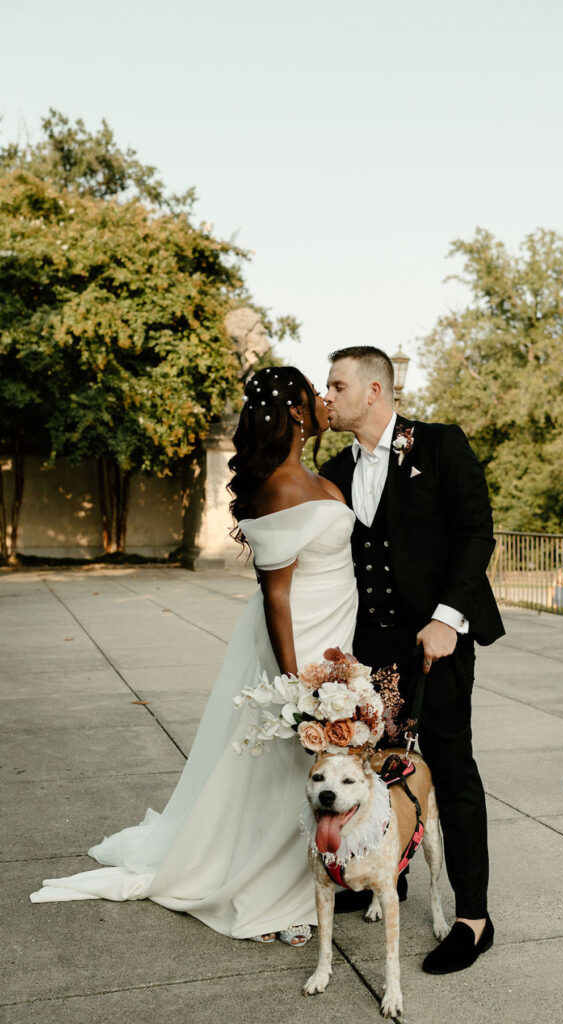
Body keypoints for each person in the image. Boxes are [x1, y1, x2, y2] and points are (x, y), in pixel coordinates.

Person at [30, 367, 358, 946]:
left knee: (306, 769)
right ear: (300, 412)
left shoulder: (313, 476)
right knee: (282, 766)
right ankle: (265, 888)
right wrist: (293, 688)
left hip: (335, 631)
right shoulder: (281, 486)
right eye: (317, 392)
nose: (327, 400)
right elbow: (276, 594)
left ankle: (311, 869)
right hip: (298, 638)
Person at [320, 345, 504, 975]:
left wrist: (447, 618)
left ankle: (473, 920)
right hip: (370, 654)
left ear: (374, 390)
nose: (330, 395)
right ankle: (387, 879)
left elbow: (477, 532)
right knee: (379, 769)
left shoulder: (439, 445)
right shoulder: (334, 470)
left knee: (451, 772)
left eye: (338, 385)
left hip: (438, 642)